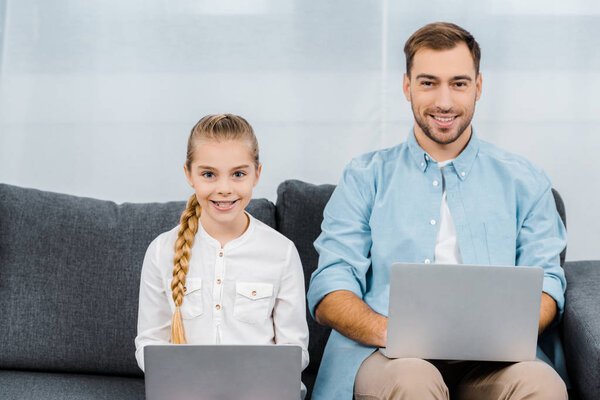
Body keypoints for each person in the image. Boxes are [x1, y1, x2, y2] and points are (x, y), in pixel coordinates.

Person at [307, 22, 568, 400]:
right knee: (414, 381)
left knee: (542, 386)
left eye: (459, 83)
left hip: (495, 362)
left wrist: (497, 336)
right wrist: (393, 333)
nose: (444, 101)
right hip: (388, 355)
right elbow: (331, 286)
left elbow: (549, 285)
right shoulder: (364, 177)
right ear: (406, 86)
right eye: (428, 83)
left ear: (478, 87)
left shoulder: (525, 181)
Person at [135, 114, 309, 392]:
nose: (224, 189)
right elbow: (149, 342)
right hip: (187, 391)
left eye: (238, 174)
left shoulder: (282, 253)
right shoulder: (161, 251)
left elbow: (295, 348)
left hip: (261, 392)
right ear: (189, 174)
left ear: (257, 173)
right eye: (208, 174)